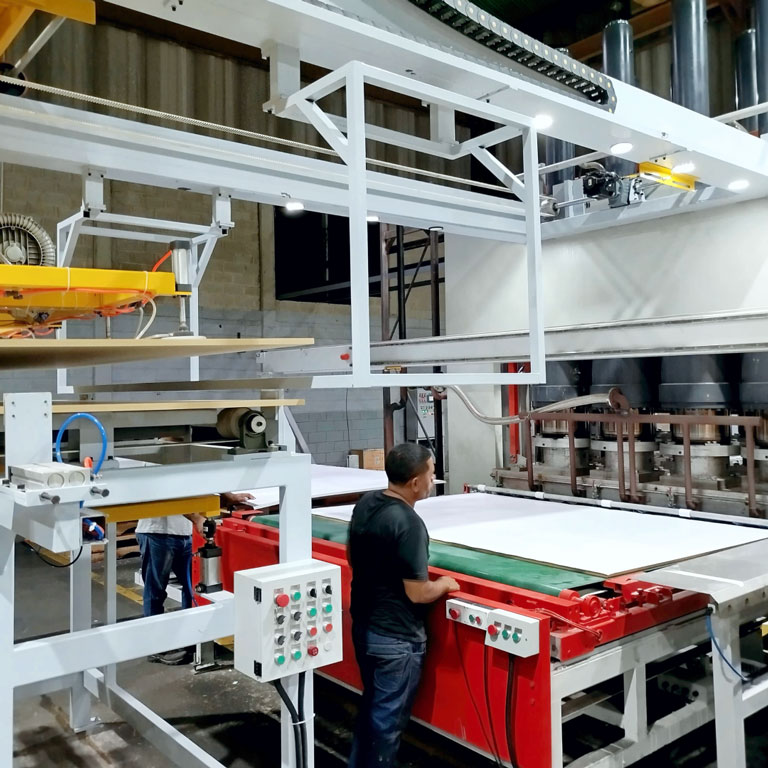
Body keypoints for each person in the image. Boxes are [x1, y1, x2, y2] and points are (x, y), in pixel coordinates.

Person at [347, 443, 460, 768]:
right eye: (432, 473)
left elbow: (352, 557)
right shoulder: (408, 524)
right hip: (396, 640)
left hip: (364, 628)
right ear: (415, 482)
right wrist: (444, 584)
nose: (433, 479)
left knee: (371, 712)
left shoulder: (367, 502)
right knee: (386, 725)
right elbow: (418, 593)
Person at [136, 490, 253, 665]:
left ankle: (190, 640)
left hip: (184, 533)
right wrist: (197, 518)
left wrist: (227, 496)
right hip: (157, 532)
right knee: (155, 591)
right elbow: (171, 491)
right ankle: (156, 649)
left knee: (193, 589)